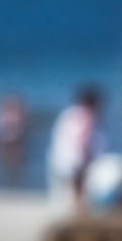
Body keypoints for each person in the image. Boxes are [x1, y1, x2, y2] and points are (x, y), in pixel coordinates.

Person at [47, 85, 106, 215]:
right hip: (73, 170)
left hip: (58, 165)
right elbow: (82, 149)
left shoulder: (68, 115)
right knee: (74, 205)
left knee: (61, 201)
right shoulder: (86, 118)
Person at [0, 93, 29, 185]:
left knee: (15, 161)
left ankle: (12, 180)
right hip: (10, 142)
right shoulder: (7, 115)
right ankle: (9, 180)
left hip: (13, 141)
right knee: (8, 160)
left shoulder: (9, 114)